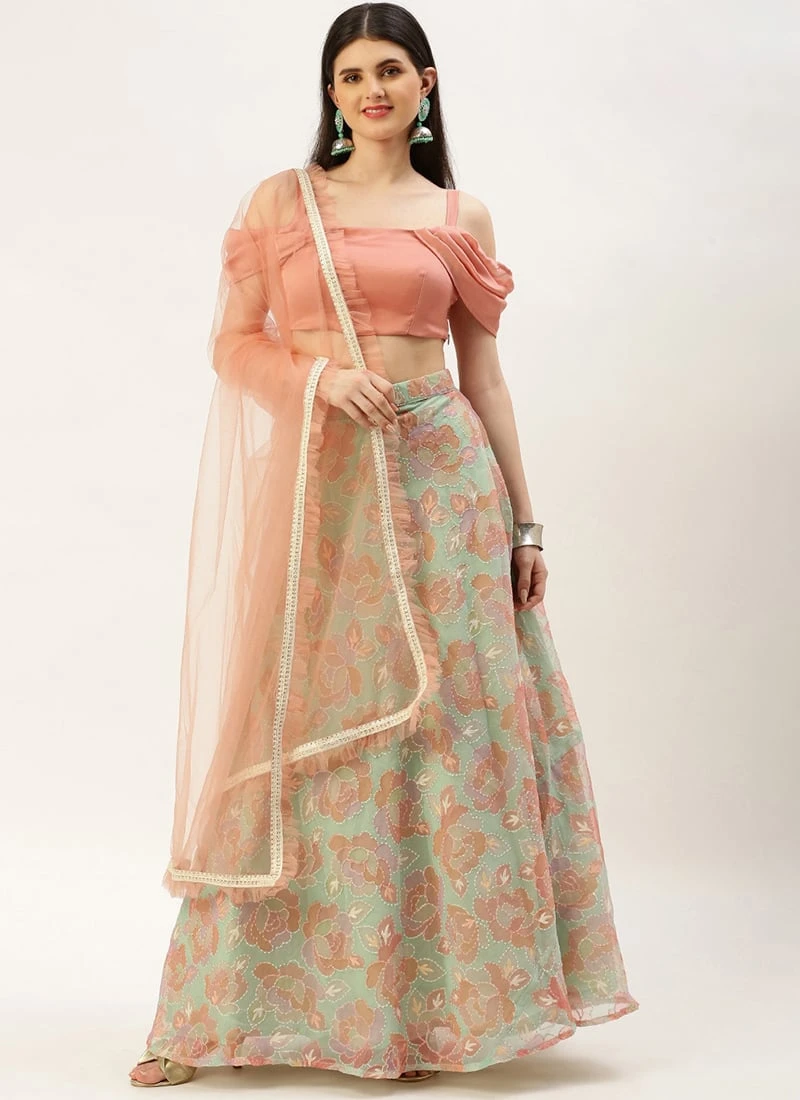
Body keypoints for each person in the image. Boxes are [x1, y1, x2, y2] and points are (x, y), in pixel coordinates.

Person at [129, 1, 639, 1087]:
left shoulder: (459, 213)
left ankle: (429, 1015)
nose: (372, 90)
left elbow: (484, 377)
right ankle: (214, 1012)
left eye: (391, 71)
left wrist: (523, 520)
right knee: (295, 715)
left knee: (452, 729)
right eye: (353, 74)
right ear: (331, 92)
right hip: (327, 486)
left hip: (444, 480)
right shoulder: (282, 202)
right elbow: (231, 345)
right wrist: (318, 377)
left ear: (425, 84)